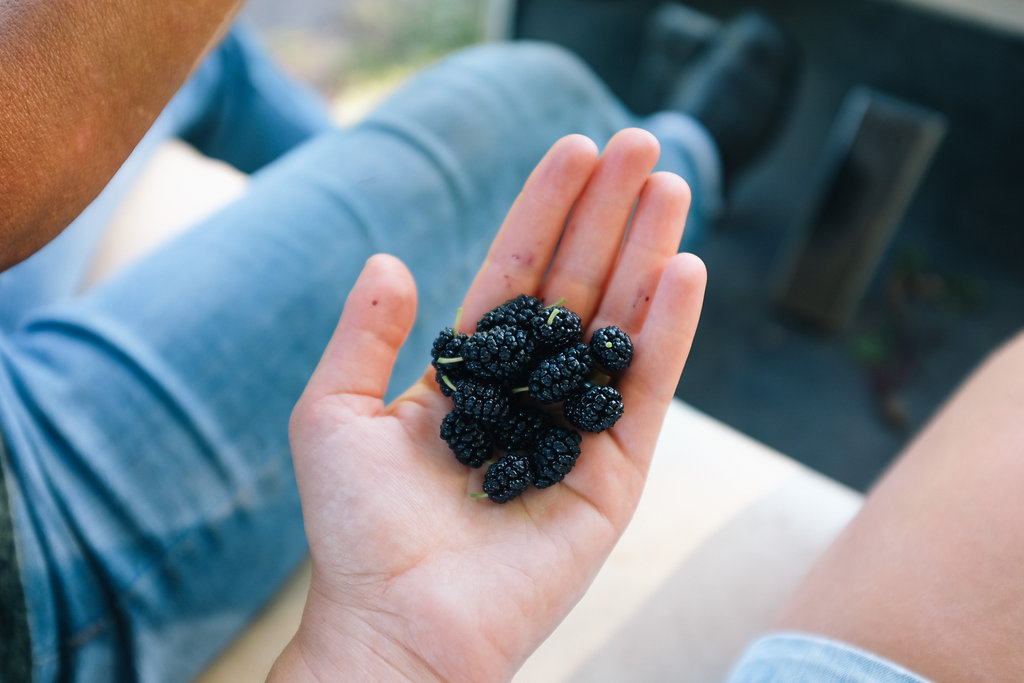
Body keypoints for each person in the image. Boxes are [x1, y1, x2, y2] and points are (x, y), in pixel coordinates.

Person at [2, 3, 805, 679]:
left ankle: (346, 185)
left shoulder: (520, 392)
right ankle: (693, 145)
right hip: (34, 560)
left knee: (204, 56)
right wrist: (381, 651)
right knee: (531, 103)